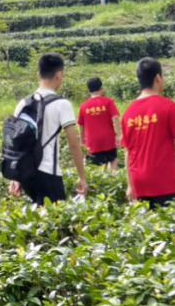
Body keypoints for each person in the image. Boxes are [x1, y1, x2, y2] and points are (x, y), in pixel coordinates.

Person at [122, 58, 175, 208]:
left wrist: (130, 184)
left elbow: (128, 152)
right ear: (157, 78)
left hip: (139, 184)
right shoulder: (167, 107)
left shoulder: (128, 112)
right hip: (164, 183)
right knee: (170, 227)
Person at [9, 54, 87, 205]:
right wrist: (82, 177)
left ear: (38, 74)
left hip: (26, 174)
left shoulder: (22, 103)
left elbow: (15, 143)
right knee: (54, 221)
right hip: (49, 173)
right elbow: (74, 144)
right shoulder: (62, 104)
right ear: (59, 75)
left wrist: (15, 176)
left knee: (36, 220)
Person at [77, 77, 121, 170]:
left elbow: (81, 125)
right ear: (101, 88)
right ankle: (111, 178)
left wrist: (82, 142)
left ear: (89, 90)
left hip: (92, 142)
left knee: (94, 168)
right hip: (108, 139)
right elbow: (116, 118)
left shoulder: (83, 106)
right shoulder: (108, 102)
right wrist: (118, 135)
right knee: (113, 159)